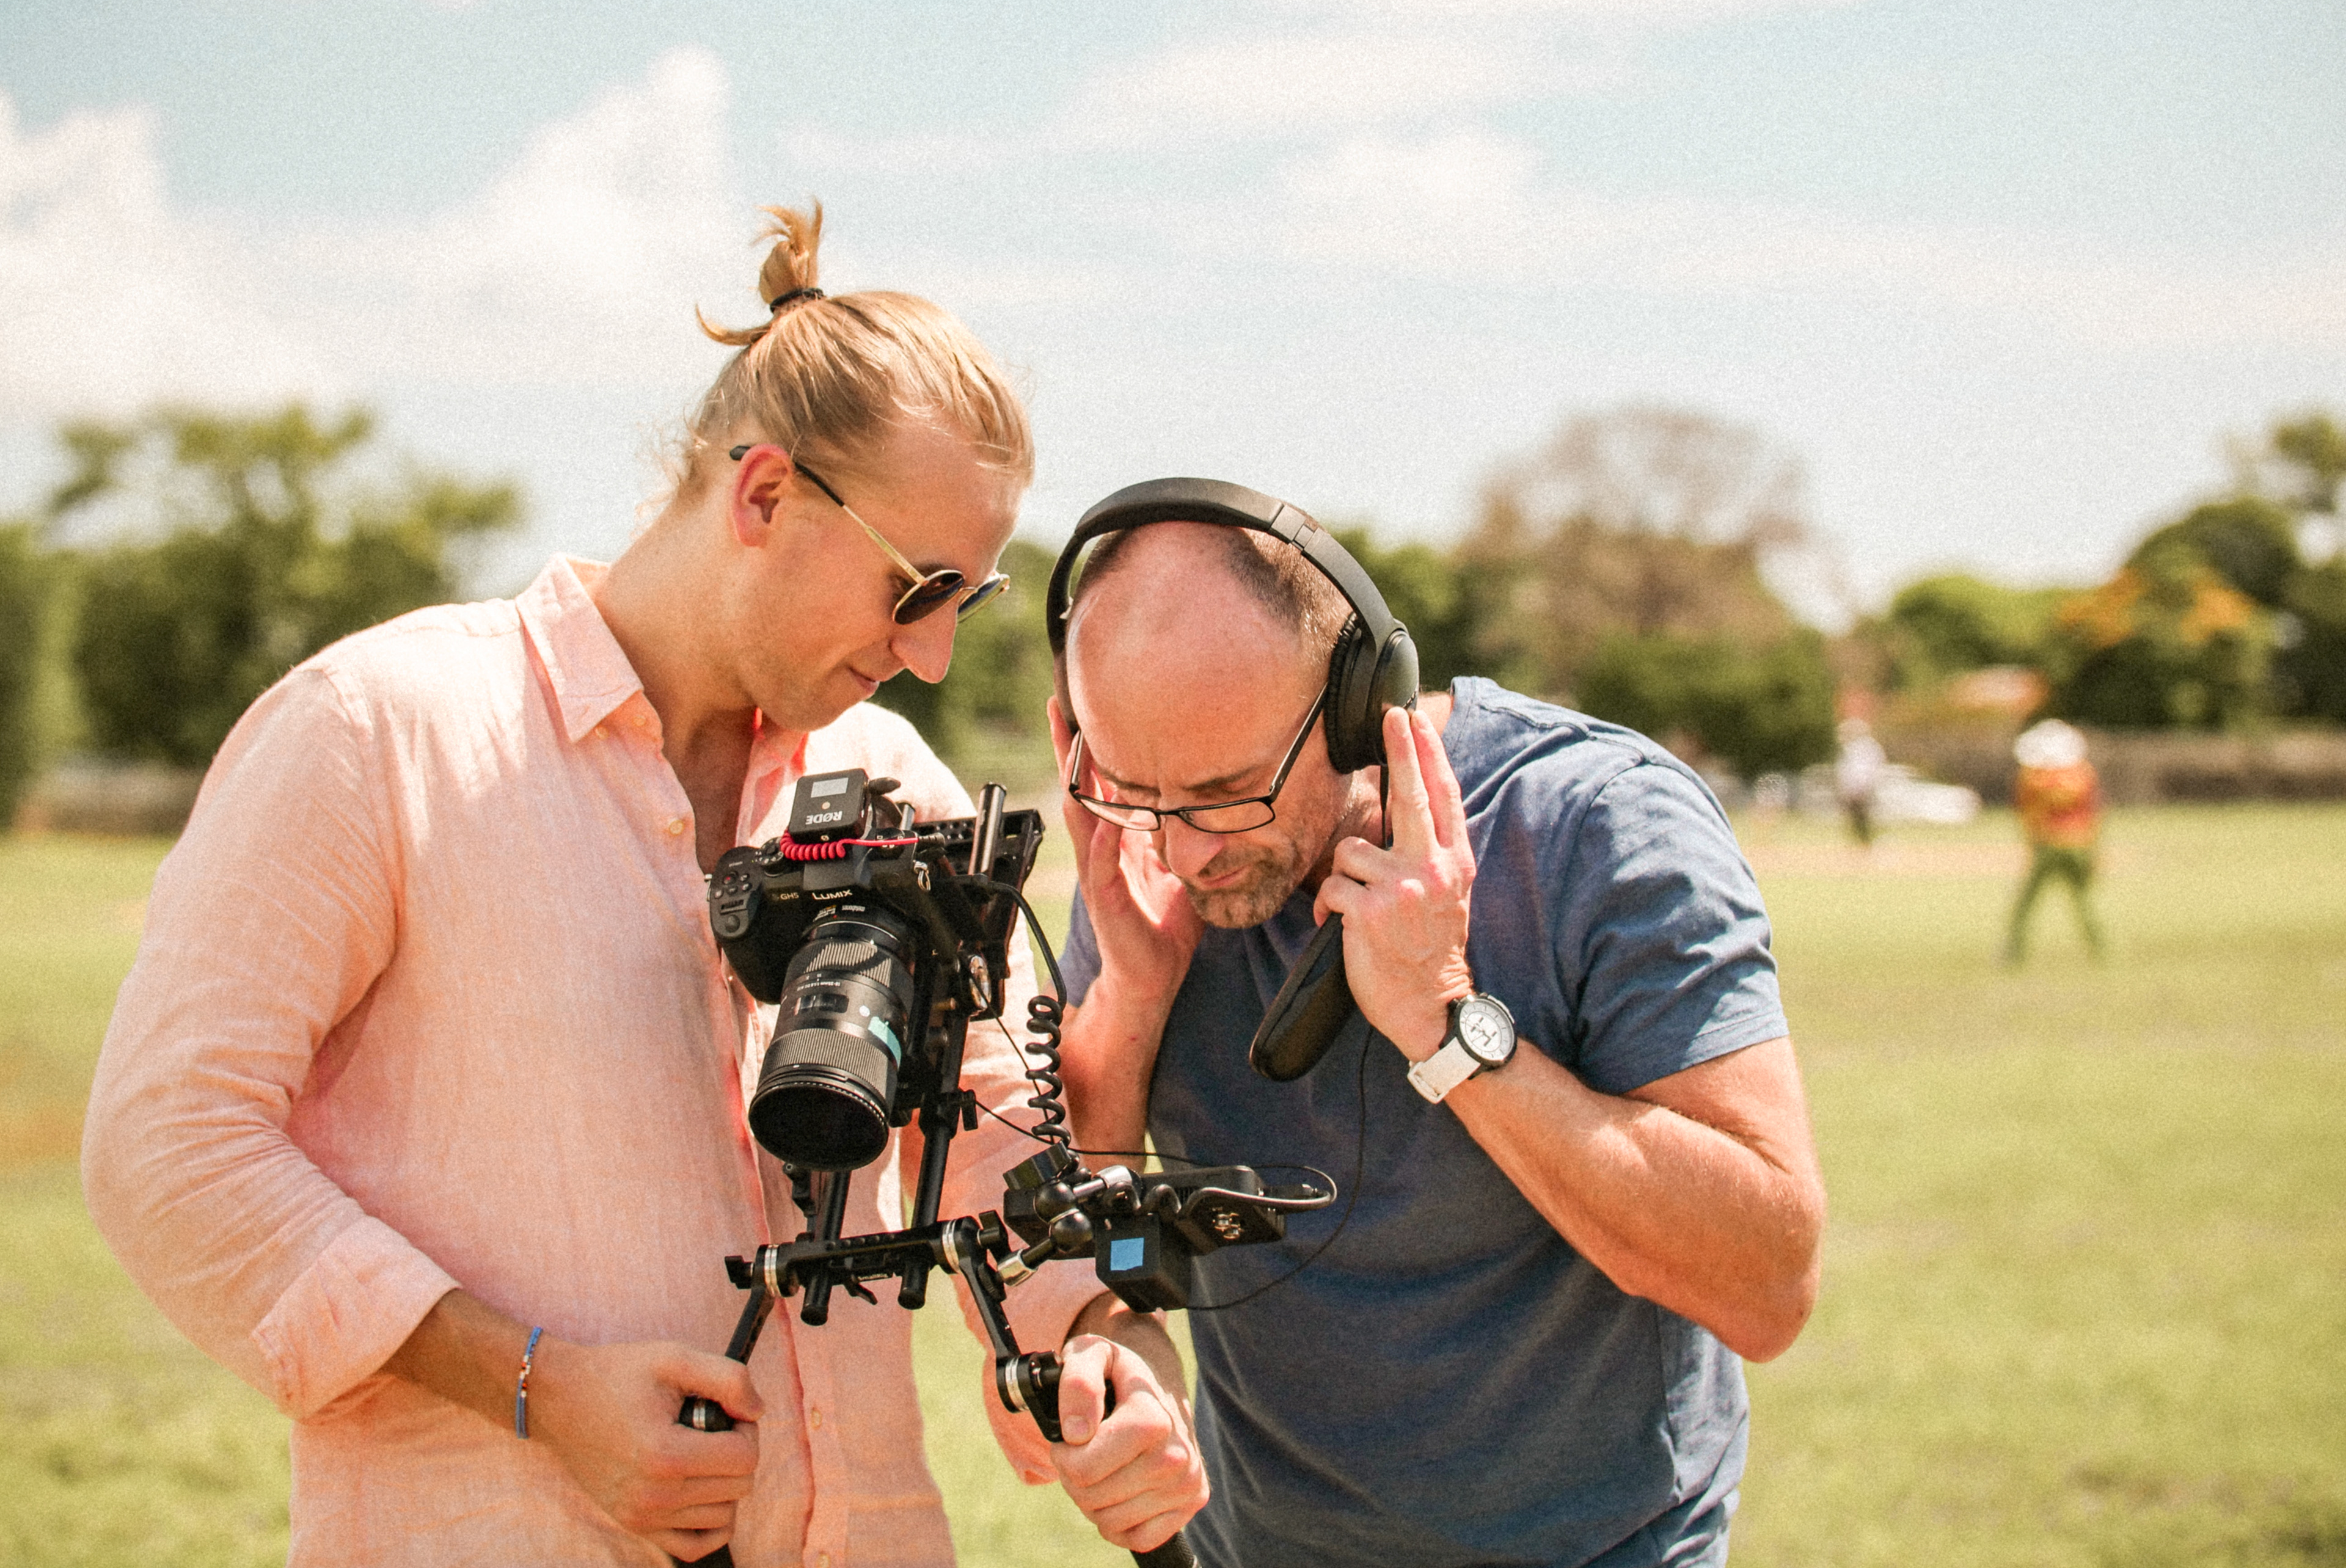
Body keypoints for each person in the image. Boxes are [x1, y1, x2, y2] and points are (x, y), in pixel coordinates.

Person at [81, 205, 1203, 1566]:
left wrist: (1102, 1345)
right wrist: (532, 1385)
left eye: (965, 602)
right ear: (765, 495)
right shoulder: (376, 730)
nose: (930, 658)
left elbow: (994, 1140)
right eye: (915, 590)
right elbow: (169, 1142)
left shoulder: (898, 780)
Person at [1050, 505, 1827, 1568]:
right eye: (1137, 791)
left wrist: (1446, 1022)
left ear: (1360, 708)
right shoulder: (1145, 859)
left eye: (1228, 794)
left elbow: (1768, 1286)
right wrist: (1132, 1001)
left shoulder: (1601, 826)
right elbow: (1080, 1239)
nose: (1184, 854)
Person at [2003, 717, 2106, 965]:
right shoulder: (2083, 774)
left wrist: (2032, 843)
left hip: (2048, 844)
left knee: (2027, 902)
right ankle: (2100, 949)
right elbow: (2094, 813)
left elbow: (2027, 812)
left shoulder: (2032, 778)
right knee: (2082, 900)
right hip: (2080, 844)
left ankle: (2015, 953)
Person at [1835, 715, 1887, 845]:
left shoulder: (1864, 747)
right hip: (1854, 788)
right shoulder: (1851, 748)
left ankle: (1866, 842)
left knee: (1863, 817)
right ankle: (1861, 842)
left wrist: (1861, 786)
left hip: (1861, 788)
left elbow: (1865, 770)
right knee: (1855, 817)